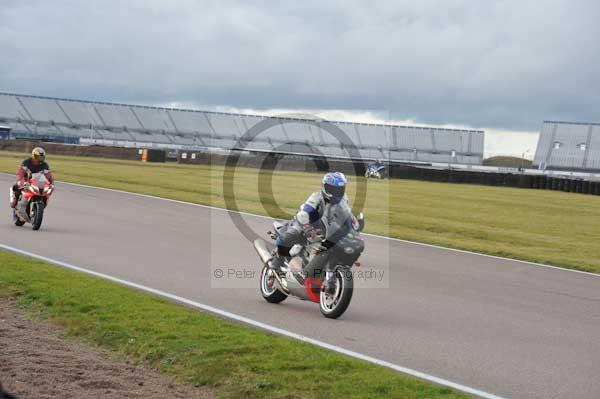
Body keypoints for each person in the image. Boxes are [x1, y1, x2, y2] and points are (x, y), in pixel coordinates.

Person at [271, 171, 354, 293]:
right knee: (291, 235)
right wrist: (307, 227)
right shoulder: (317, 197)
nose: (337, 192)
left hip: (324, 229)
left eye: (340, 189)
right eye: (333, 189)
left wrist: (353, 228)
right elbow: (306, 212)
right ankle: (276, 262)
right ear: (325, 187)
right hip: (305, 223)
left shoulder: (343, 201)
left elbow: (347, 217)